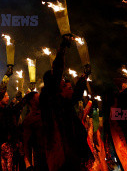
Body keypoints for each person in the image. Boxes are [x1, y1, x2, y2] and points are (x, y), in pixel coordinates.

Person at [39, 35, 93, 171]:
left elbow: (75, 97)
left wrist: (83, 78)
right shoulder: (48, 98)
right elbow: (57, 70)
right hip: (61, 151)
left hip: (72, 149)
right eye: (58, 78)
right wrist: (62, 48)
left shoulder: (61, 102)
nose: (62, 79)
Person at [22, 91, 48, 171]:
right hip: (41, 156)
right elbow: (26, 144)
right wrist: (30, 164)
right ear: (32, 101)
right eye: (38, 97)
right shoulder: (29, 120)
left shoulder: (46, 113)